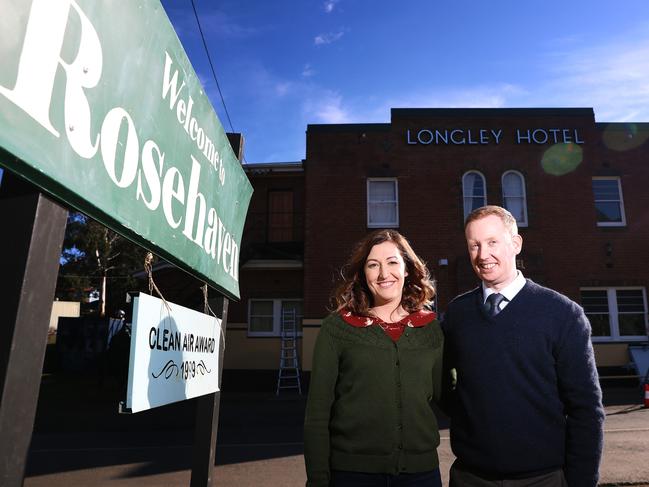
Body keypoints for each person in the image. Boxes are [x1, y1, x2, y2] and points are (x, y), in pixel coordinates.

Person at [442, 205, 605, 486]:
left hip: (543, 478)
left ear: (515, 244)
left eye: (493, 242)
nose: (483, 255)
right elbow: (444, 389)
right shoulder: (458, 314)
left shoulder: (562, 314)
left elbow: (586, 409)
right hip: (470, 477)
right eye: (474, 245)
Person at [304, 229, 443, 487]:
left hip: (421, 476)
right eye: (373, 265)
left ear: (407, 270)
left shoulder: (431, 329)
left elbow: (448, 397)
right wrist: (318, 480)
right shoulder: (337, 328)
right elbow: (317, 414)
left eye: (392, 262)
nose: (383, 274)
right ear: (362, 274)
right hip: (352, 476)